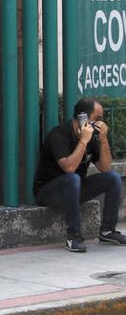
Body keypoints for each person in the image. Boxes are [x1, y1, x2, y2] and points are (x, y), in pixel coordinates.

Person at [33, 96, 126, 253]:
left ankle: (107, 231)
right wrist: (83, 141)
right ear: (83, 117)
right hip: (49, 192)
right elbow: (69, 168)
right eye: (97, 118)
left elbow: (105, 168)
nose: (100, 123)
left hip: (75, 188)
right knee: (73, 178)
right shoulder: (59, 135)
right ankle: (73, 236)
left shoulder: (91, 138)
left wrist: (103, 141)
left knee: (114, 178)